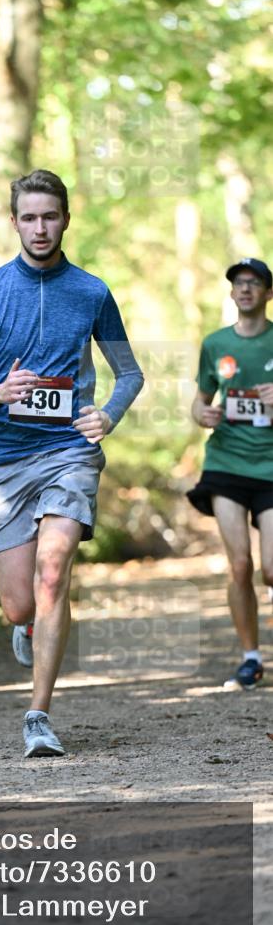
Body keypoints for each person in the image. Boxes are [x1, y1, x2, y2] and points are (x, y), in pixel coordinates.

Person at [0, 170, 144, 757]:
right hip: (6, 459)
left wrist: (106, 414)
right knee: (20, 600)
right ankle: (25, 624)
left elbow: (129, 373)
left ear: (65, 219)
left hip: (70, 452)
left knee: (54, 570)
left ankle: (38, 715)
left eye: (49, 216)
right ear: (13, 222)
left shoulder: (91, 292)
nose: (39, 228)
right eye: (28, 217)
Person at [187, 257, 273, 689]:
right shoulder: (215, 343)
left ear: (267, 293)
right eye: (238, 283)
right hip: (225, 464)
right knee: (239, 564)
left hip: (272, 468)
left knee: (271, 569)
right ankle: (250, 657)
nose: (244, 289)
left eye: (254, 283)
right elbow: (199, 403)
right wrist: (203, 414)